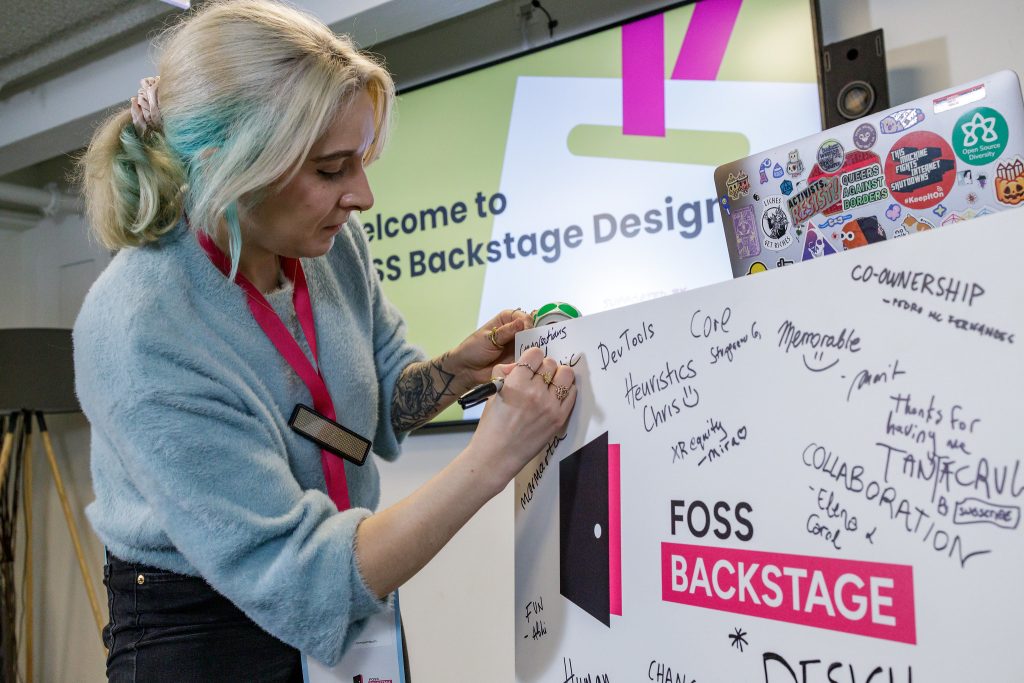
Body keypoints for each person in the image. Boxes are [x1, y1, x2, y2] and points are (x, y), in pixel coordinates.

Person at [73, 1, 576, 680]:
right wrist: (494, 458)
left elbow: (377, 401)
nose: (362, 196)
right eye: (332, 169)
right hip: (204, 628)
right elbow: (299, 573)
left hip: (343, 578)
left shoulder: (328, 247)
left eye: (359, 163)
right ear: (229, 170)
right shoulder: (142, 328)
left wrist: (458, 372)